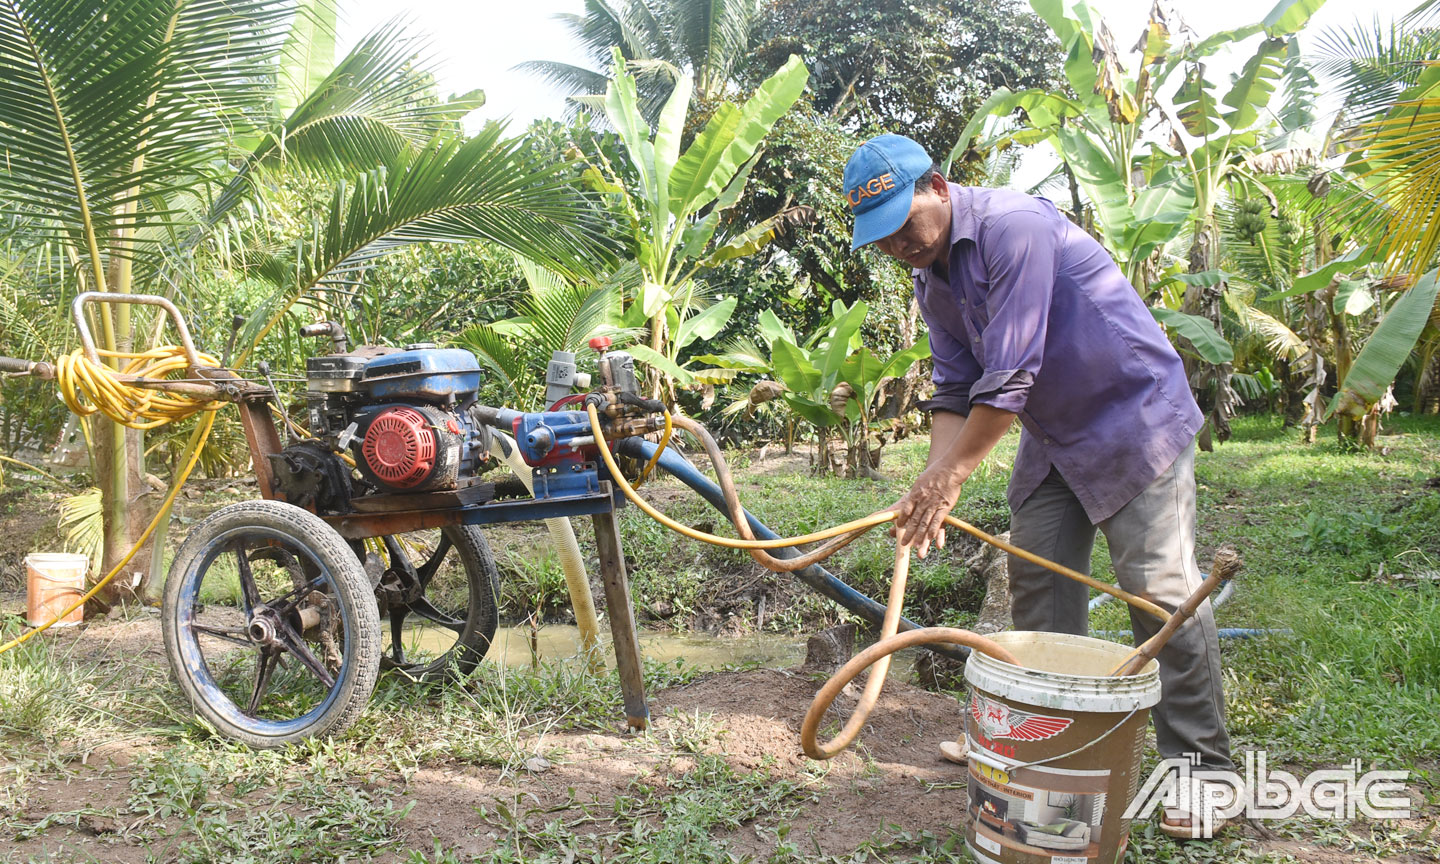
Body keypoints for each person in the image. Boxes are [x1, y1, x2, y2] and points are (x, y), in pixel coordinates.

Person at [844, 133, 1234, 839]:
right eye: (882, 240)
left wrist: (952, 479)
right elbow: (956, 386)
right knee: (1037, 580)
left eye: (905, 225)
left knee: (1160, 592)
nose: (898, 245)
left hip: (1131, 415)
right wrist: (932, 476)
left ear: (937, 185)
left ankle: (1204, 773)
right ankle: (1044, 740)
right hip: (1054, 436)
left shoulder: (1012, 226)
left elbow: (1011, 372)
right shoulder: (930, 280)